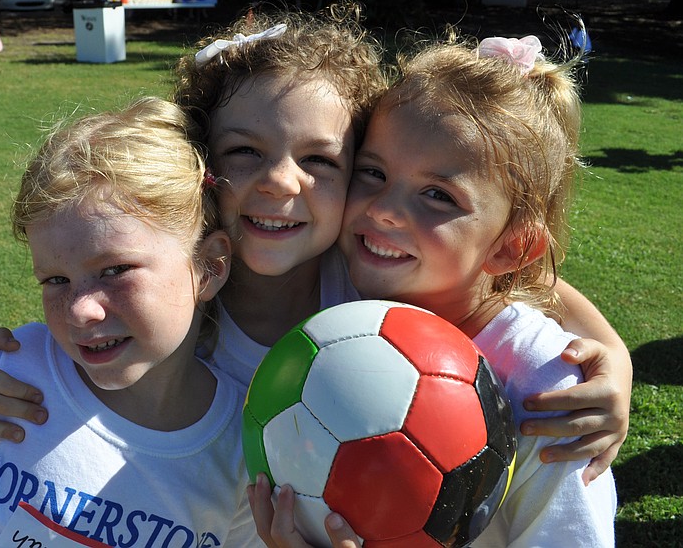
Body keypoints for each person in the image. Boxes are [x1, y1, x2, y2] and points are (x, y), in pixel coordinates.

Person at [0, 0, 627, 533]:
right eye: (244, 153)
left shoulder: (367, 279)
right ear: (202, 171)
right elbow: (91, 299)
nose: (280, 183)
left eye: (320, 160)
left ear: (350, 173)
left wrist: (615, 359)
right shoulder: (174, 292)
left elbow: (505, 277)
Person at [251, 31, 618, 547]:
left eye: (437, 195)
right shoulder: (338, 289)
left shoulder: (550, 388)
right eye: (373, 172)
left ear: (510, 249)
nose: (383, 208)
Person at [0, 97, 262, 547]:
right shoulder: (3, 382)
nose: (79, 309)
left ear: (209, 268)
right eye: (55, 279)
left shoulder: (245, 450)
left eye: (115, 270)